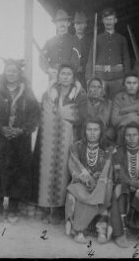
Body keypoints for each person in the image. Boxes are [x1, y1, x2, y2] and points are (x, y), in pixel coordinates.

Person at [0, 58, 40, 225]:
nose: (11, 74)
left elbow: (35, 115)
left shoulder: (27, 92)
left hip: (21, 141)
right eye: (8, 70)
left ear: (19, 73)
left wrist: (22, 130)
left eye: (14, 71)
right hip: (1, 141)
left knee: (18, 174)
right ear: (4, 72)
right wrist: (0, 129)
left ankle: (13, 211)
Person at [31, 64, 88, 225]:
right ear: (58, 76)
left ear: (73, 77)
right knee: (46, 170)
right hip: (49, 137)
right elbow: (43, 112)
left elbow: (82, 116)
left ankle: (59, 209)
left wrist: (65, 117)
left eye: (69, 74)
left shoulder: (79, 94)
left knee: (64, 171)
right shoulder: (49, 92)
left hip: (69, 138)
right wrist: (61, 115)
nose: (65, 77)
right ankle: (44, 205)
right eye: (62, 73)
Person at [65, 118, 114, 244]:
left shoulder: (108, 150)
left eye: (96, 130)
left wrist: (97, 180)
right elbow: (72, 167)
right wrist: (82, 178)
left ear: (101, 132)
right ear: (84, 131)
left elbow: (108, 172)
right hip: (81, 182)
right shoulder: (76, 147)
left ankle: (101, 229)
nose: (92, 133)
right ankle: (79, 230)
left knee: (105, 189)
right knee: (80, 192)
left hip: (99, 184)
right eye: (89, 129)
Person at [110, 122, 139, 249]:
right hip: (124, 185)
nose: (131, 139)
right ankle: (121, 233)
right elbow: (118, 174)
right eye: (128, 135)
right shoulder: (117, 151)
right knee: (119, 189)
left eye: (135, 135)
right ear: (123, 137)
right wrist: (133, 182)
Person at [86, 7, 131, 99]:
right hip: (100, 79)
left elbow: (126, 59)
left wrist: (127, 77)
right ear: (103, 21)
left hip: (118, 79)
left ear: (115, 20)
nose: (108, 22)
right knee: (100, 105)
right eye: (106, 19)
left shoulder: (121, 39)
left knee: (117, 105)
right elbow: (91, 59)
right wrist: (89, 78)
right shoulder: (97, 39)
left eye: (111, 19)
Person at [39, 9, 80, 83]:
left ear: (68, 23)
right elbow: (41, 58)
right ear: (56, 24)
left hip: (68, 77)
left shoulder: (75, 41)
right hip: (53, 78)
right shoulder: (49, 42)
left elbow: (76, 60)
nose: (62, 24)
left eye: (64, 21)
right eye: (59, 21)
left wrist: (66, 72)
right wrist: (48, 69)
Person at [111, 72, 139, 149]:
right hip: (123, 131)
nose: (132, 86)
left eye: (135, 83)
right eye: (128, 83)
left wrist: (124, 110)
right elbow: (114, 120)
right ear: (124, 85)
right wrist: (131, 115)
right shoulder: (119, 97)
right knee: (134, 119)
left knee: (138, 120)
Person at [87, 77, 116, 145]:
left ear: (103, 91)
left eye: (99, 87)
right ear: (88, 89)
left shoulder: (110, 105)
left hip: (105, 140)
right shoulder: (83, 103)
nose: (96, 89)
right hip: (86, 139)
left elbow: (113, 126)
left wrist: (105, 136)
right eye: (93, 86)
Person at [73, 11, 92, 89]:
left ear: (86, 25)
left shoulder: (91, 41)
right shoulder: (70, 41)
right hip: (73, 76)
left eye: (82, 23)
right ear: (74, 25)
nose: (80, 26)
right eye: (77, 24)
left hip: (87, 76)